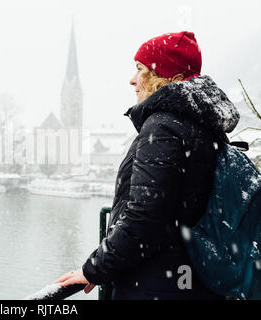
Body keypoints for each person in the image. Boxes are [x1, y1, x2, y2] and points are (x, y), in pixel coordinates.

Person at [54, 31, 240, 300]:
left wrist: (94, 268)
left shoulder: (163, 126)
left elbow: (145, 217)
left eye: (141, 69)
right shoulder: (203, 126)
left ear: (169, 79)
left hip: (154, 282)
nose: (132, 80)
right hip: (188, 277)